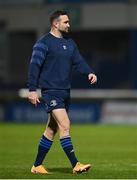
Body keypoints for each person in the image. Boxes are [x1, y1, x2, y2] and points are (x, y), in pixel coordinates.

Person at [27, 10, 97, 174]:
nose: (69, 25)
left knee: (52, 129)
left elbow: (78, 61)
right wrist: (32, 90)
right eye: (65, 22)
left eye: (68, 22)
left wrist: (89, 72)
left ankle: (37, 166)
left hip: (65, 91)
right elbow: (34, 66)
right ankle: (76, 164)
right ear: (55, 24)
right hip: (51, 91)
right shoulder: (43, 43)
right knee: (65, 125)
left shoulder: (70, 43)